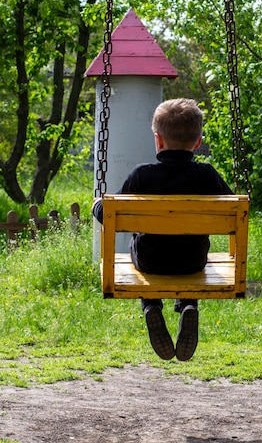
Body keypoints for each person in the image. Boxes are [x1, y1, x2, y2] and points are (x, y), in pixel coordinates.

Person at [93, 98, 233, 361]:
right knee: (191, 247)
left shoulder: (141, 175)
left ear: (158, 140)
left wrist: (96, 205)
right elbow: (234, 212)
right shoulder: (207, 175)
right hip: (193, 262)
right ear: (198, 142)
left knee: (141, 244)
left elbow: (109, 217)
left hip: (151, 262)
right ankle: (188, 305)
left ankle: (151, 306)